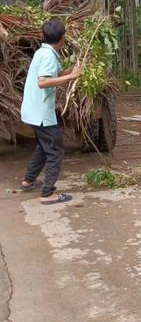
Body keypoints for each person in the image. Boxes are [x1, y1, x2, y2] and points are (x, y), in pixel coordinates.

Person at [20, 19, 82, 205]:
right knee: (55, 150)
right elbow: (43, 81)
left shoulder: (45, 52)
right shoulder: (48, 56)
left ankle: (28, 180)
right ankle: (47, 194)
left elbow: (53, 75)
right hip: (40, 114)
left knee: (43, 146)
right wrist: (71, 77)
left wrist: (71, 71)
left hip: (33, 111)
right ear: (62, 38)